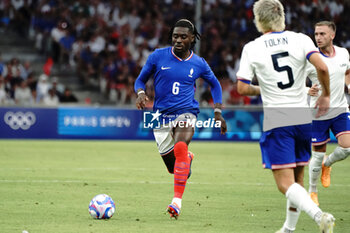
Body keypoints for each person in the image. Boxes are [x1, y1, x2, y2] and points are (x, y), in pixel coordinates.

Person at [236, 0, 334, 232]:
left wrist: (263, 89)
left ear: (258, 21)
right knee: (297, 182)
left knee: (284, 184)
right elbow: (322, 67)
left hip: (278, 120)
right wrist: (326, 96)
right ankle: (288, 229)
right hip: (302, 119)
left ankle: (319, 215)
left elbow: (241, 88)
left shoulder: (253, 47)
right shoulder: (301, 39)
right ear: (282, 18)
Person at [134, 19, 227, 219]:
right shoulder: (158, 56)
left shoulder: (199, 63)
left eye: (183, 37)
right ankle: (187, 159)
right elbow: (140, 80)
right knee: (172, 167)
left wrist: (217, 111)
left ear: (192, 39)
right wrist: (140, 92)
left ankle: (176, 202)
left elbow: (215, 85)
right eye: (175, 36)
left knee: (180, 146)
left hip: (187, 112)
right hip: (160, 117)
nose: (178, 40)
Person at [306, 21, 350, 206]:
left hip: (340, 108)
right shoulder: (310, 59)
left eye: (322, 34)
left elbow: (347, 72)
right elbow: (295, 81)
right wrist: (306, 90)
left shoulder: (343, 53)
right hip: (318, 113)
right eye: (316, 34)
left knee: (347, 148)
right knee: (316, 155)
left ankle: (328, 164)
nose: (318, 37)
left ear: (332, 35)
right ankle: (312, 191)